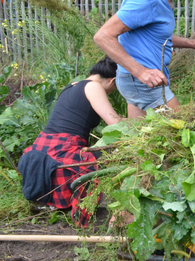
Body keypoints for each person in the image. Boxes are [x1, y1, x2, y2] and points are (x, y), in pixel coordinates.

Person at [18, 57, 122, 228]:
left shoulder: (73, 85)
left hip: (44, 144)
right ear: (113, 80)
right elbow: (115, 123)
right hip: (63, 147)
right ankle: (89, 214)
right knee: (109, 157)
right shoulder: (94, 87)